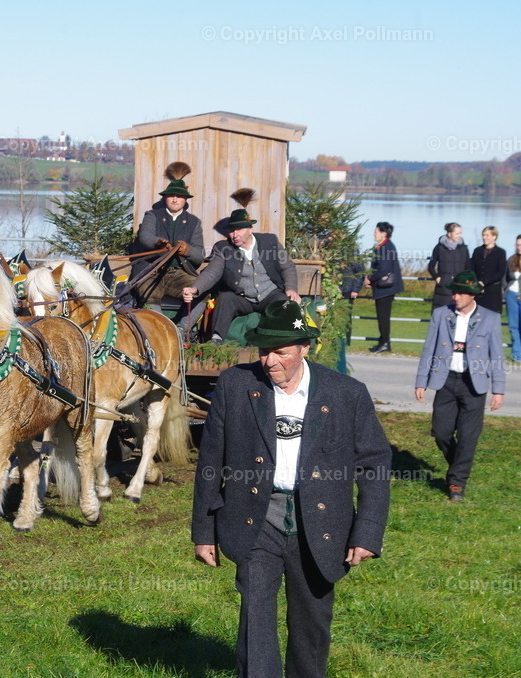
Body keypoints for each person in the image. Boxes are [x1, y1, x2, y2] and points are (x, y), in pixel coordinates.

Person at [191, 300, 391, 678]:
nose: (269, 362)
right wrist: (203, 532)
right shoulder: (236, 385)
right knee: (255, 617)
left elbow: (375, 465)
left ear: (304, 347)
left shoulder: (346, 393)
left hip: (321, 523)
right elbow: (210, 462)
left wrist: (367, 533)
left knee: (312, 622)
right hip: (254, 518)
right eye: (264, 351)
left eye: (280, 352)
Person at [415, 270, 506, 502]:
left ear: (472, 295)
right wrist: (421, 381)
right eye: (454, 292)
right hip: (445, 380)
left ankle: (457, 483)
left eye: (461, 293)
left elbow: (497, 355)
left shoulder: (490, 318)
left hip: (473, 384)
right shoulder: (440, 315)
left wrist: (498, 389)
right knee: (441, 433)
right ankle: (458, 466)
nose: (455, 296)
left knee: (468, 436)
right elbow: (429, 348)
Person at [181, 188, 300, 344]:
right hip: (242, 298)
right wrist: (195, 288)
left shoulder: (270, 242)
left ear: (250, 229)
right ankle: (216, 339)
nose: (234, 235)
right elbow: (212, 272)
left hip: (270, 294)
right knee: (225, 298)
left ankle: (273, 341)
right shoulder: (223, 248)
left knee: (282, 302)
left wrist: (291, 288)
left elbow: (288, 266)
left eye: (239, 229)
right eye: (231, 230)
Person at [130, 162, 204, 315]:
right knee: (148, 295)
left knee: (201, 291)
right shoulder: (152, 215)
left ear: (185, 199)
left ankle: (183, 331)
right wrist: (157, 243)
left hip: (178, 273)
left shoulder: (194, 222)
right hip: (150, 270)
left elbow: (199, 255)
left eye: (179, 196)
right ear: (165, 198)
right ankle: (158, 334)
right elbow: (145, 237)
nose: (175, 199)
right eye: (171, 196)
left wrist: (187, 250)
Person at [363, 221, 403, 353]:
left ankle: (385, 342)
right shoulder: (383, 246)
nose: (373, 234)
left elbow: (383, 269)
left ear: (383, 233)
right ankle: (383, 341)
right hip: (383, 288)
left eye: (376, 231)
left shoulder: (386, 247)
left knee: (383, 317)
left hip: (386, 289)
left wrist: (370, 278)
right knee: (382, 317)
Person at [428, 222, 470, 310]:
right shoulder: (439, 248)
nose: (459, 235)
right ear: (449, 234)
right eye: (457, 233)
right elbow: (431, 266)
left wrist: (467, 282)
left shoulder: (464, 248)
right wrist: (437, 277)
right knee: (441, 313)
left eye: (460, 233)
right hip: (444, 288)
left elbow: (468, 267)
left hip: (460, 287)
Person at [470, 226, 506, 313]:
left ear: (494, 236)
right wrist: (477, 283)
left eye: (487, 235)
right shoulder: (477, 251)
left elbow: (500, 272)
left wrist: (484, 282)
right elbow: (472, 269)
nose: (484, 237)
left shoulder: (500, 252)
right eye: (483, 235)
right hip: (478, 291)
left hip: (493, 291)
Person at [507, 235, 521, 362]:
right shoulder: (511, 260)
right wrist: (505, 289)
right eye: (517, 245)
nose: (519, 247)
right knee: (513, 326)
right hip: (512, 294)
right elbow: (505, 277)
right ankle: (517, 355)